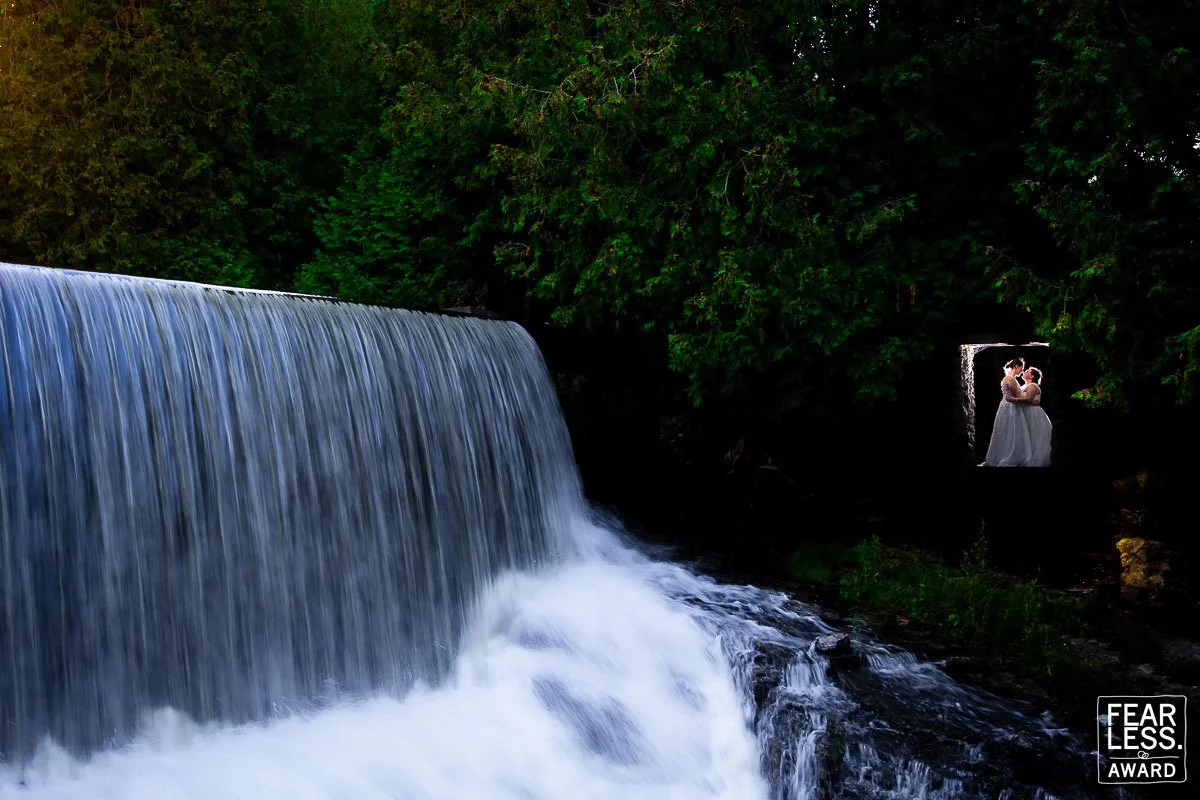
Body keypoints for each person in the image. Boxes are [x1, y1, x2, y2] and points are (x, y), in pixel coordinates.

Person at [978, 358, 1033, 467]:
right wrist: (1029, 394)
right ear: (1016, 366)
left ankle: (1001, 454)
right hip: (1012, 407)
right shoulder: (1011, 380)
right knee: (1013, 430)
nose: (1022, 371)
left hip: (1004, 406)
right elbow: (1016, 396)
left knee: (1005, 430)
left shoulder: (1006, 378)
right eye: (1021, 368)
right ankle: (1011, 455)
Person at [1009, 366, 1052, 467]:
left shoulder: (1033, 385)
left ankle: (1035, 457)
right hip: (1027, 412)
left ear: (1032, 376)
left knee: (1034, 433)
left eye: (1028, 371)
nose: (1025, 372)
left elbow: (1029, 399)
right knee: (1027, 434)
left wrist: (1013, 399)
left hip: (1033, 413)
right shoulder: (1025, 385)